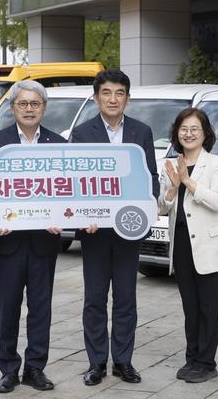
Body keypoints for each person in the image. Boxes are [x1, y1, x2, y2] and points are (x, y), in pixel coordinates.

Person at [69, 69, 159, 386]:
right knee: (95, 299)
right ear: (96, 98)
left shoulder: (141, 132)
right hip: (94, 231)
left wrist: (148, 207)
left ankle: (123, 361)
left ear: (127, 98)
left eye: (119, 93)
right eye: (106, 93)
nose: (112, 99)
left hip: (127, 230)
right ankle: (96, 363)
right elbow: (74, 181)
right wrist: (83, 215)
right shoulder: (82, 133)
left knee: (125, 298)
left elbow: (150, 176)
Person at [0, 80, 65, 394]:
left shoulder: (59, 144)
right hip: (7, 241)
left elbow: (66, 189)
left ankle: (35, 368)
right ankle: (8, 370)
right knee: (9, 307)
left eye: (35, 104)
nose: (29, 109)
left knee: (41, 308)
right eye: (23, 104)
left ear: (44, 108)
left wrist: (61, 217)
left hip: (44, 240)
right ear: (13, 107)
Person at [158, 107, 218, 383]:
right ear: (176, 133)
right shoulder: (169, 164)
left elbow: (217, 201)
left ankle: (206, 362)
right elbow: (162, 207)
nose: (188, 134)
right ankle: (192, 359)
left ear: (205, 134)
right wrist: (172, 187)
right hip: (181, 244)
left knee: (208, 307)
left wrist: (187, 181)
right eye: (184, 129)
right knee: (190, 306)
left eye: (194, 129)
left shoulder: (217, 164)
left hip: (209, 244)